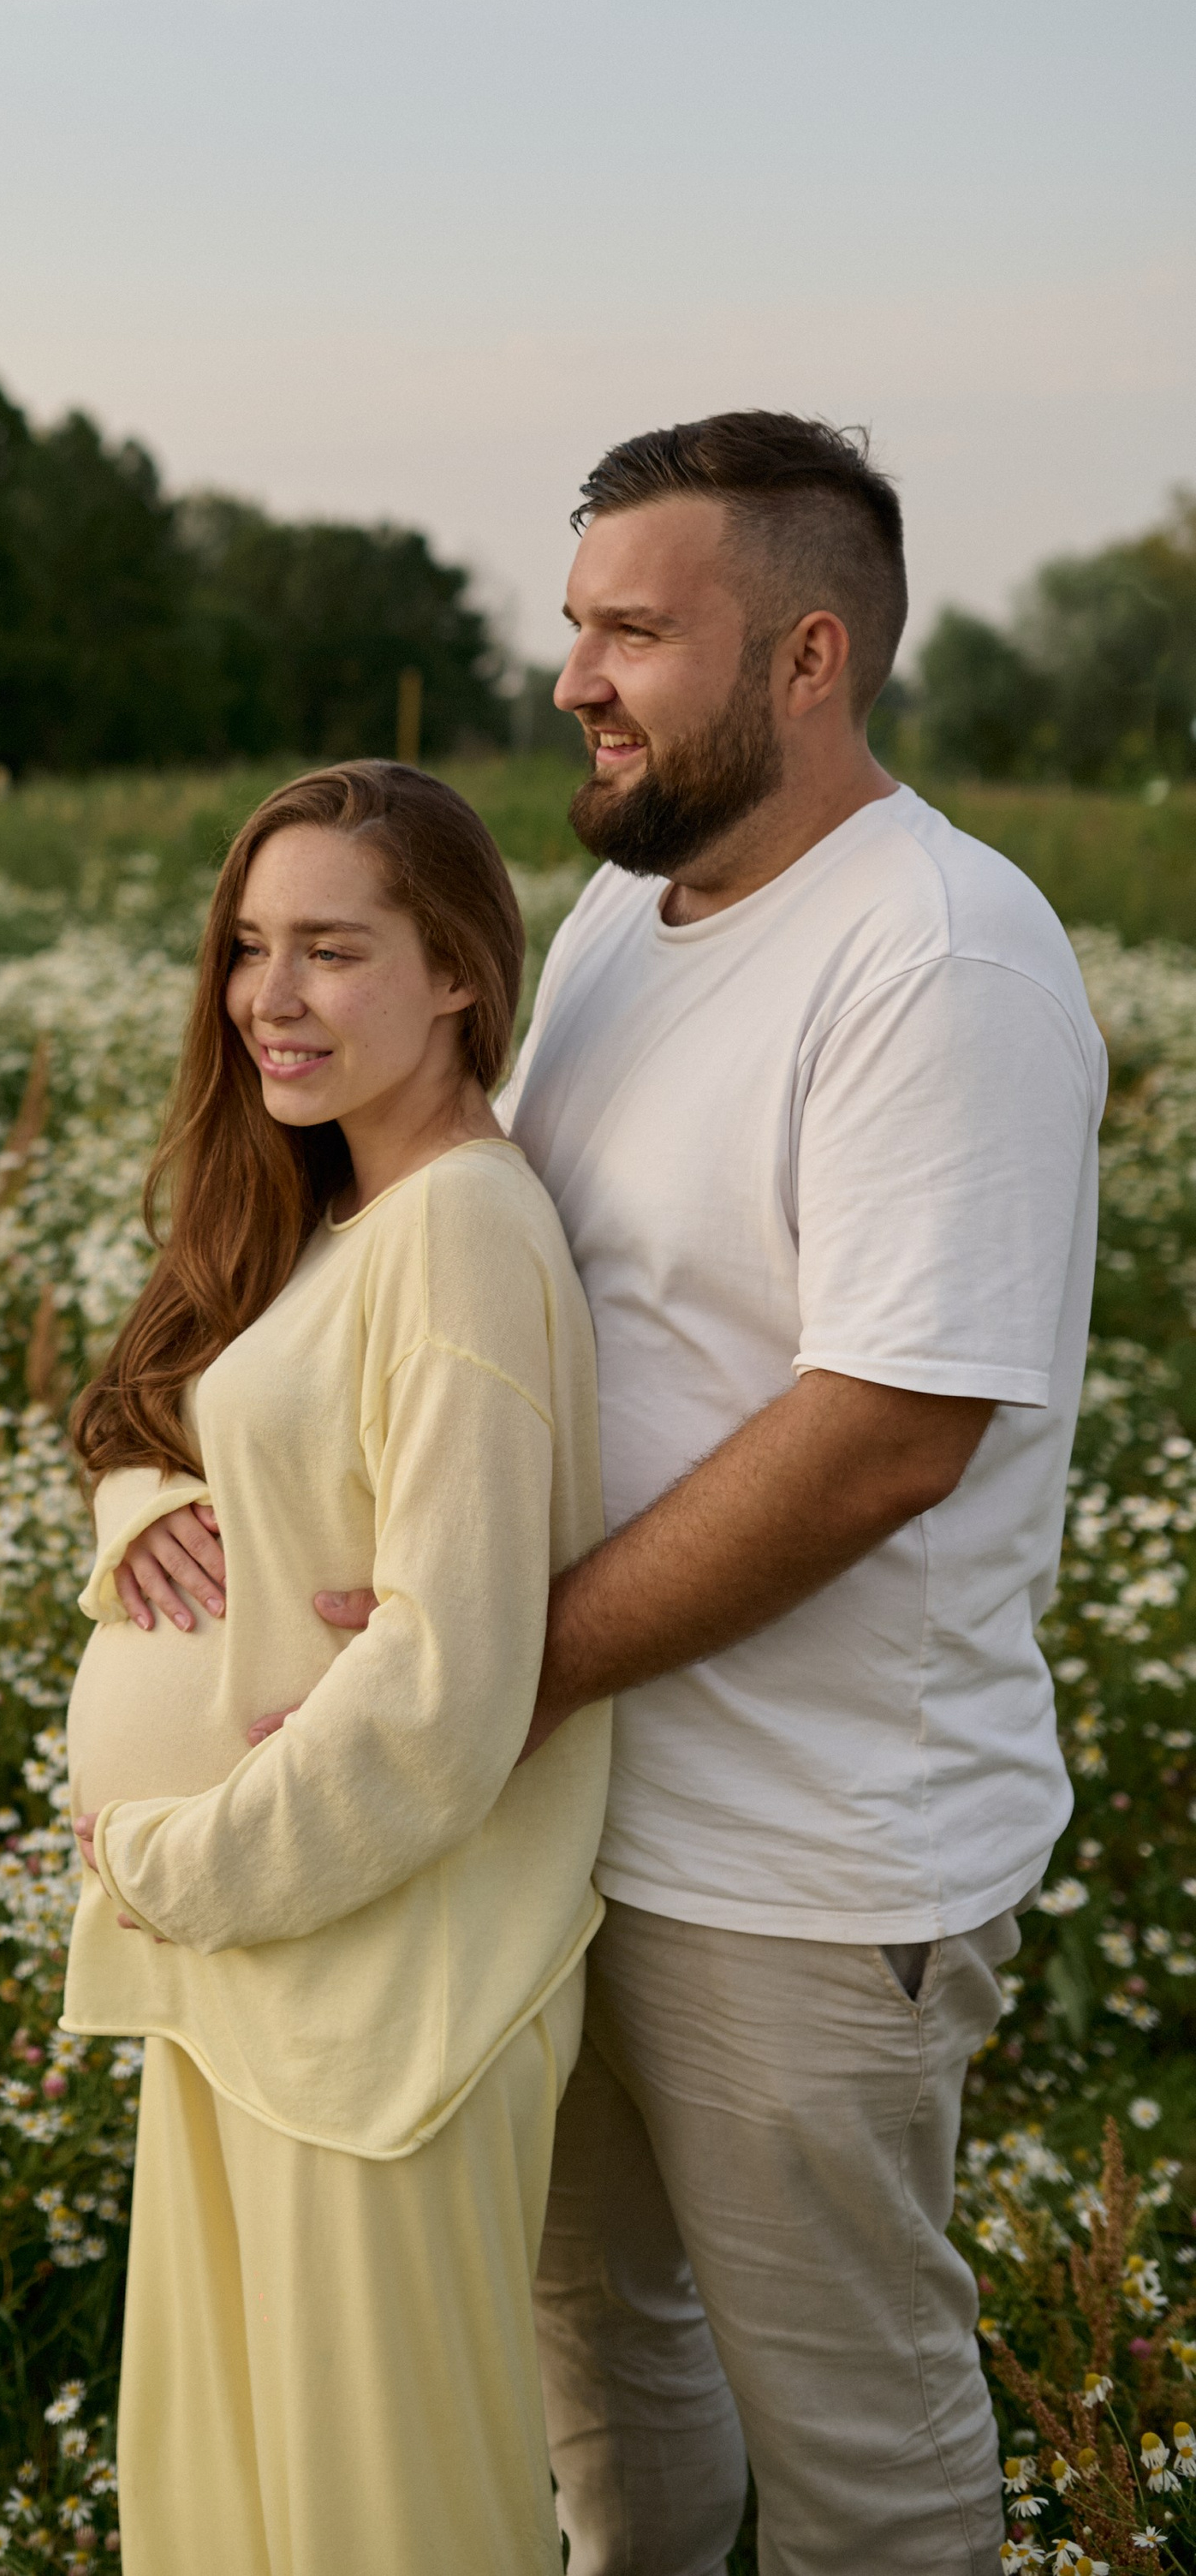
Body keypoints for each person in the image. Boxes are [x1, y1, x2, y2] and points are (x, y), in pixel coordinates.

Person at [115, 413, 1107, 2576]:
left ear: (807, 657)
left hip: (804, 1856)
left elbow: (882, 1430)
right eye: (573, 621)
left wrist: (484, 1674)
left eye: (634, 629)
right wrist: (171, 1509)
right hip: (547, 1825)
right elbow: (418, 1285)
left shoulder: (929, 955)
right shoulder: (614, 933)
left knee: (851, 2446)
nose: (572, 673)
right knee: (605, 2396)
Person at [61, 760, 608, 2576]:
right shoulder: (334, 1209)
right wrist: (135, 1499)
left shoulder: (456, 1229)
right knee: (237, 2516)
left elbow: (448, 1688)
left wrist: (168, 1864)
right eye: (242, 949)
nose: (267, 999)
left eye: (328, 951)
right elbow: (164, 1400)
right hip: (265, 1979)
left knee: (381, 2527)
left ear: (454, 969)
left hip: (377, 1987)